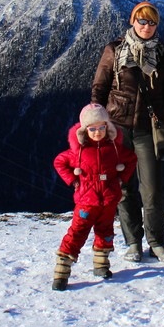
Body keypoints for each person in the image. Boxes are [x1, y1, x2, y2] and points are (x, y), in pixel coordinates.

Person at [92, 1, 164, 263]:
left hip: (148, 128)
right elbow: (100, 86)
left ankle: (157, 243)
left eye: (152, 22)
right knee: (123, 188)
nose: (146, 26)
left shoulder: (163, 53)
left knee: (152, 189)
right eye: (141, 21)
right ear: (132, 21)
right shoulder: (115, 50)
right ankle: (133, 242)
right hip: (116, 129)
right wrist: (95, 119)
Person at [52, 104, 138, 291]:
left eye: (101, 127)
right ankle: (62, 270)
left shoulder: (114, 149)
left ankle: (101, 264)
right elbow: (59, 161)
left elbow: (131, 159)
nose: (97, 132)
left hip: (107, 200)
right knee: (76, 233)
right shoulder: (79, 151)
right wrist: (73, 181)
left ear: (107, 127)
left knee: (105, 231)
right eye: (92, 129)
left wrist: (121, 178)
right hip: (86, 202)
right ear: (85, 130)